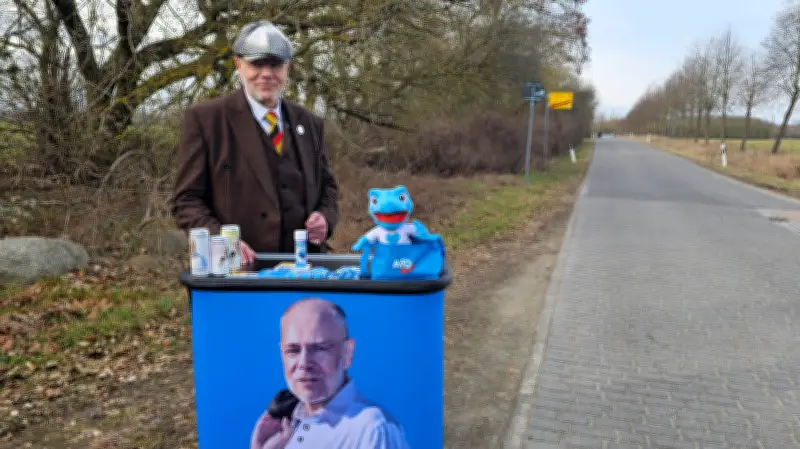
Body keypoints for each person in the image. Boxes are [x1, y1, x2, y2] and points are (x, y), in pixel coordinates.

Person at [171, 20, 339, 264]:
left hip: (305, 272)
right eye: (256, 64)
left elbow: (329, 190)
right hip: (237, 274)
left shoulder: (311, 123)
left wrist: (326, 218)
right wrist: (223, 243)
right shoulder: (206, 121)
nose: (267, 74)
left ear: (288, 68)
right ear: (238, 64)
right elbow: (186, 201)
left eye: (275, 65)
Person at [250, 298, 410, 449]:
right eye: (293, 350)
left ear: (347, 353)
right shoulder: (285, 427)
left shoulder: (372, 428)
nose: (304, 363)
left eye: (319, 348)